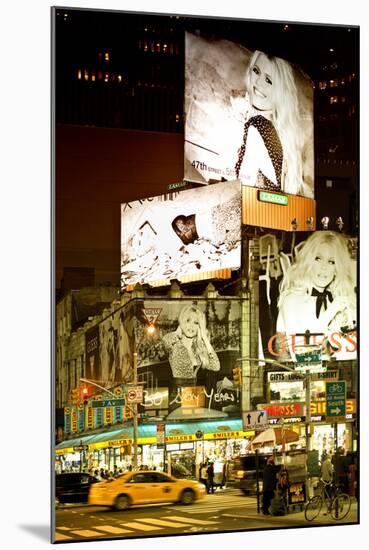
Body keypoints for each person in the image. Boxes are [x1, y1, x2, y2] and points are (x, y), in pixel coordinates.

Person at [276, 231, 356, 361]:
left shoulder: (335, 297)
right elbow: (303, 357)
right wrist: (332, 311)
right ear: (308, 262)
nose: (324, 267)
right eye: (318, 259)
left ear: (337, 269)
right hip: (298, 377)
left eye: (331, 262)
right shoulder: (292, 300)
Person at [235, 50, 306, 196]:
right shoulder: (282, 133)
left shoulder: (258, 125)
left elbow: (243, 184)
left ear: (280, 91)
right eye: (256, 71)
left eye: (269, 80)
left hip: (255, 211)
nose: (259, 83)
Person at [162, 305, 220, 386]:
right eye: (188, 320)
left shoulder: (197, 347)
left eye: (196, 323)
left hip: (194, 395)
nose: (191, 326)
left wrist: (204, 338)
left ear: (199, 326)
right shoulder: (174, 342)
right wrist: (179, 330)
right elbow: (165, 340)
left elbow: (216, 366)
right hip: (177, 395)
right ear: (182, 321)